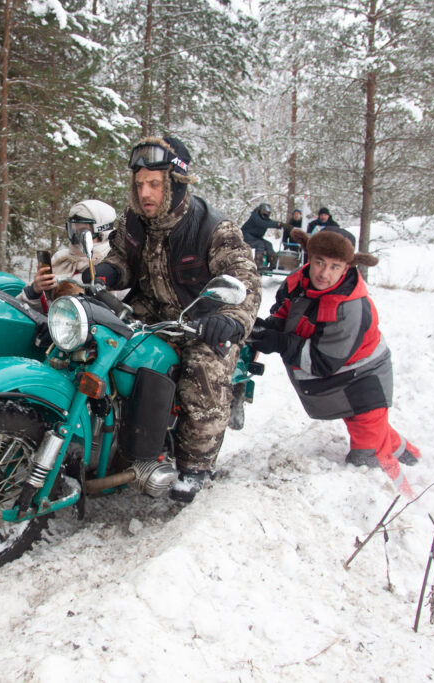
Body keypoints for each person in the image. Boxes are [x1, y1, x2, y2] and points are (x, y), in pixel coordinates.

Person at [90, 136, 261, 503]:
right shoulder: (133, 223)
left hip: (201, 320)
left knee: (202, 372)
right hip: (148, 313)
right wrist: (104, 273)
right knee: (96, 345)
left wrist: (229, 319)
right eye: (139, 184)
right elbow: (121, 259)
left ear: (176, 182)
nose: (145, 192)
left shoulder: (214, 228)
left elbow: (245, 279)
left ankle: (194, 468)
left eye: (154, 183)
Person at [249, 226, 421, 498]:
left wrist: (279, 342)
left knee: (368, 461)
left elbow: (322, 362)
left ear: (348, 267)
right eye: (318, 262)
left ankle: (404, 499)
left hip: (364, 383)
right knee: (376, 432)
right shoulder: (299, 281)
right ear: (310, 257)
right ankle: (413, 458)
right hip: (344, 382)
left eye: (334, 266)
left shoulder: (350, 306)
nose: (323, 273)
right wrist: (268, 328)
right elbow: (286, 311)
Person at [18, 199, 119, 313]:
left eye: (82, 232)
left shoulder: (115, 267)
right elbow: (30, 312)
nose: (76, 238)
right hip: (53, 326)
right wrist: (35, 291)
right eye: (73, 231)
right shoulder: (61, 260)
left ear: (102, 233)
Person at [240, 202, 280, 270]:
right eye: (264, 212)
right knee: (260, 244)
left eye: (267, 213)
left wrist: (281, 225)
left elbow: (270, 223)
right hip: (246, 238)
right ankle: (258, 264)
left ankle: (273, 264)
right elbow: (262, 224)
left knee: (268, 244)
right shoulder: (254, 217)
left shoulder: (265, 220)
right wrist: (277, 224)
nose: (266, 214)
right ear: (260, 211)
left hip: (255, 238)